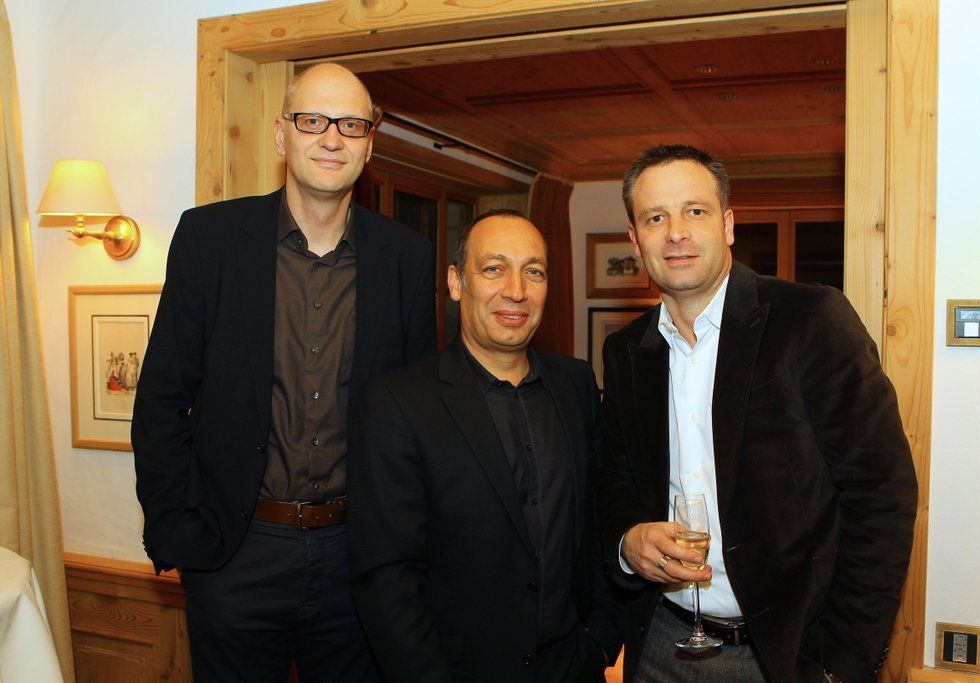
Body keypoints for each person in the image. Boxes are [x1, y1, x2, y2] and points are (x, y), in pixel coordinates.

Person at [131, 63, 436, 682]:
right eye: (312, 121)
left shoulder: (405, 257)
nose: (332, 138)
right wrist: (178, 529)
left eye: (351, 125)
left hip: (358, 559)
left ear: (370, 145)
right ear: (281, 135)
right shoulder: (209, 239)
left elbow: (418, 417)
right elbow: (162, 398)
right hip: (235, 555)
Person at [597, 145, 917, 683]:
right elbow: (615, 479)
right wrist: (628, 540)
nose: (676, 232)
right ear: (635, 239)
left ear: (727, 225)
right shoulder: (626, 350)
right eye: (655, 218)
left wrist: (842, 663)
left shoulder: (810, 320)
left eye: (694, 211)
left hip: (787, 656)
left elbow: (881, 491)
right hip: (660, 645)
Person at [349, 210, 623, 682]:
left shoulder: (576, 384)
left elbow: (599, 519)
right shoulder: (399, 401)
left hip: (572, 665)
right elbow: (386, 576)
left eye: (534, 271)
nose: (516, 290)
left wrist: (600, 639)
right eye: (494, 268)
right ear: (456, 282)